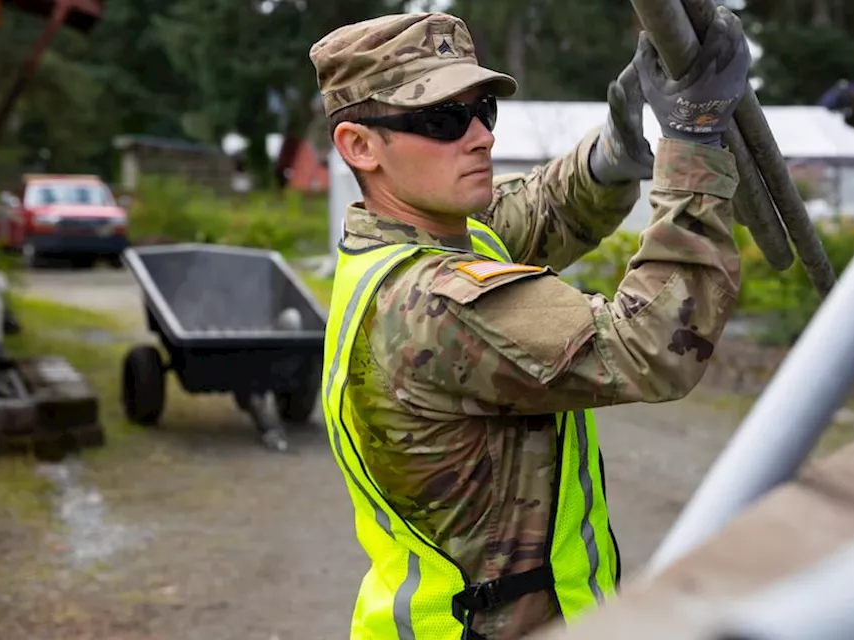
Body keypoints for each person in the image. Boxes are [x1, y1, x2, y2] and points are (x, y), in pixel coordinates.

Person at [312, 8, 751, 639]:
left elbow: (531, 212)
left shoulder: (413, 245)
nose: (481, 137)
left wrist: (614, 149)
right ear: (359, 146)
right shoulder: (435, 303)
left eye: (483, 111)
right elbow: (653, 344)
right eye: (442, 119)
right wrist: (695, 139)